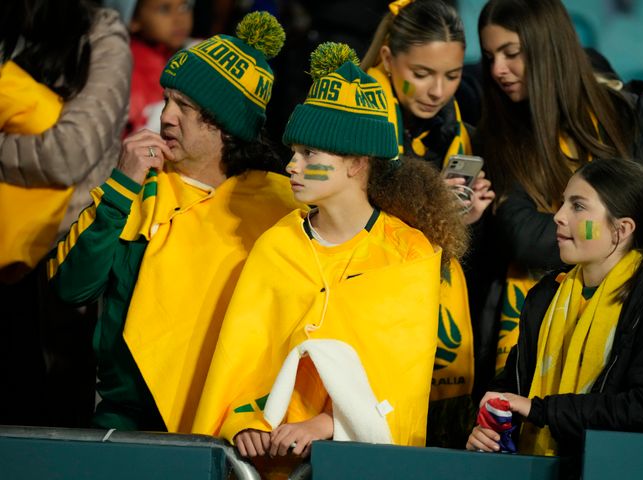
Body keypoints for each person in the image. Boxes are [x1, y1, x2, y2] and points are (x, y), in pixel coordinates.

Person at [192, 42, 469, 469]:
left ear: (356, 164)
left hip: (358, 464)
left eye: (309, 155)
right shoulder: (278, 243)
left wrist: (327, 423)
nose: (292, 166)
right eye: (294, 153)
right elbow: (242, 357)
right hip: (269, 463)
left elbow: (400, 380)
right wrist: (245, 419)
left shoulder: (408, 254)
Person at [47, 11, 300, 433]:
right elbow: (71, 287)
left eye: (184, 107)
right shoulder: (137, 189)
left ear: (226, 125)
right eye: (167, 100)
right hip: (127, 422)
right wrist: (118, 190)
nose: (166, 117)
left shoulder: (280, 204)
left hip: (233, 426)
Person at [475, 0, 643, 389]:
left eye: (512, 53)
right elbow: (524, 236)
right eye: (490, 55)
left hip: (632, 319)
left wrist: (599, 233)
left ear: (548, 47)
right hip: (530, 324)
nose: (498, 70)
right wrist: (618, 229)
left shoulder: (635, 112)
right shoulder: (499, 136)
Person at [467, 159, 643, 471]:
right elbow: (514, 383)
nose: (558, 216)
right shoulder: (546, 294)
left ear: (621, 229)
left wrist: (541, 410)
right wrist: (490, 429)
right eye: (563, 203)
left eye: (578, 207)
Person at [360, 0, 495, 448]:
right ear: (387, 59)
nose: (438, 91)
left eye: (452, 76)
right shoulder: (353, 116)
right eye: (422, 73)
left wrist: (466, 219)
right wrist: (433, 203)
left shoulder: (455, 127)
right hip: (365, 306)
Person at [0, 0, 131, 427]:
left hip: (61, 255)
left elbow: (68, 153)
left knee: (52, 409)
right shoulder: (11, 28)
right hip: (7, 246)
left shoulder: (101, 39)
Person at [103, 0, 194, 135]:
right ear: (133, 20)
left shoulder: (193, 53)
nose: (179, 18)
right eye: (164, 9)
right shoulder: (126, 71)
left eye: (184, 6)